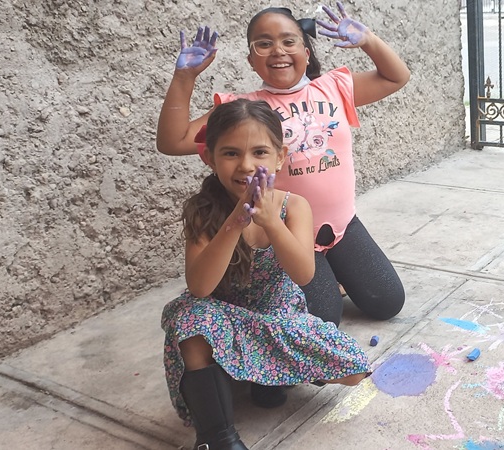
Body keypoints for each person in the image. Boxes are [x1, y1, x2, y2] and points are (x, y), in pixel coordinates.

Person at [156, 3, 409, 328]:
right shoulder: (244, 109)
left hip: (343, 226)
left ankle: (337, 274)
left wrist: (368, 40)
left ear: (305, 50)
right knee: (324, 318)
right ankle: (330, 280)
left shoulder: (333, 86)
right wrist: (184, 78)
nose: (278, 50)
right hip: (289, 233)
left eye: (289, 41)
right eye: (264, 43)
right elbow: (173, 141)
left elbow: (396, 76)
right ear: (251, 59)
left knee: (388, 302)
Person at [161, 99, 370, 450]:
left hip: (275, 313)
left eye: (259, 152)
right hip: (219, 315)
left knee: (354, 372)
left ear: (280, 156)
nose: (245, 166)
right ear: (209, 158)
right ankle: (217, 438)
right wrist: (234, 223)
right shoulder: (203, 209)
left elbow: (303, 274)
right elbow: (199, 287)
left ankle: (258, 370)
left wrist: (271, 222)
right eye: (230, 153)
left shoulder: (294, 206)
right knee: (189, 322)